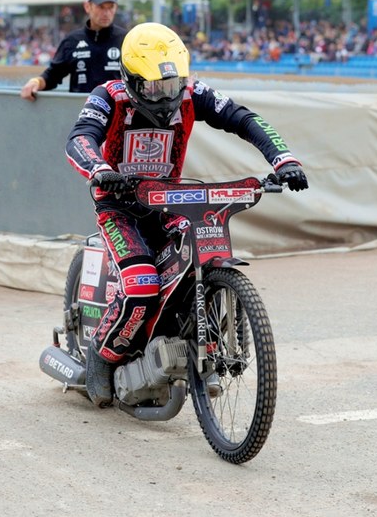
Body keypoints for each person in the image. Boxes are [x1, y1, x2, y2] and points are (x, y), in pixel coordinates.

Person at [63, 22, 309, 407]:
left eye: (174, 84)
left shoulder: (194, 93)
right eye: (154, 87)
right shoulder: (106, 95)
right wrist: (101, 170)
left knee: (204, 250)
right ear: (130, 78)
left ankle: (196, 343)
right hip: (118, 206)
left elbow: (244, 118)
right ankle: (102, 354)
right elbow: (79, 138)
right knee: (142, 284)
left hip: (170, 201)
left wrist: (284, 158)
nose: (166, 95)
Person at [20, 0, 127, 98]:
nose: (106, 13)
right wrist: (36, 82)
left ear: (116, 7)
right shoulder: (72, 41)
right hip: (80, 112)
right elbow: (53, 75)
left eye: (110, 7)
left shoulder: (126, 40)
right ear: (87, 7)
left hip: (117, 113)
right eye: (101, 7)